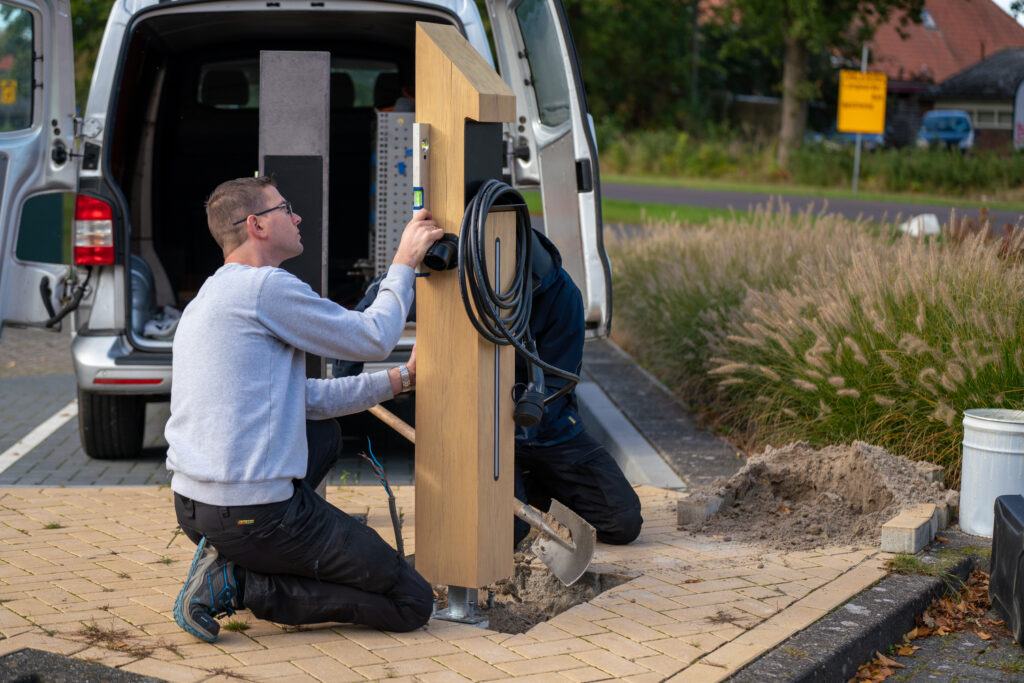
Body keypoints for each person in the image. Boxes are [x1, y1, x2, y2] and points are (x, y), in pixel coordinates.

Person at [165, 176, 443, 643]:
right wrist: (405, 260)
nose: (296, 218)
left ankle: (235, 558)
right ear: (255, 225)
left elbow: (307, 400)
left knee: (325, 433)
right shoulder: (264, 288)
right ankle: (239, 582)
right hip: (251, 514)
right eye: (285, 209)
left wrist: (402, 380)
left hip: (196, 508)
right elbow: (373, 336)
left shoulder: (212, 295)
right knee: (413, 602)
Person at [513, 230, 643, 548]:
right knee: (509, 531)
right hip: (491, 439)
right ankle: (519, 486)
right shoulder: (464, 286)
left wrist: (530, 414)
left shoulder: (560, 293)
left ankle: (535, 484)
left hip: (551, 429)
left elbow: (558, 378)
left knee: (623, 522)